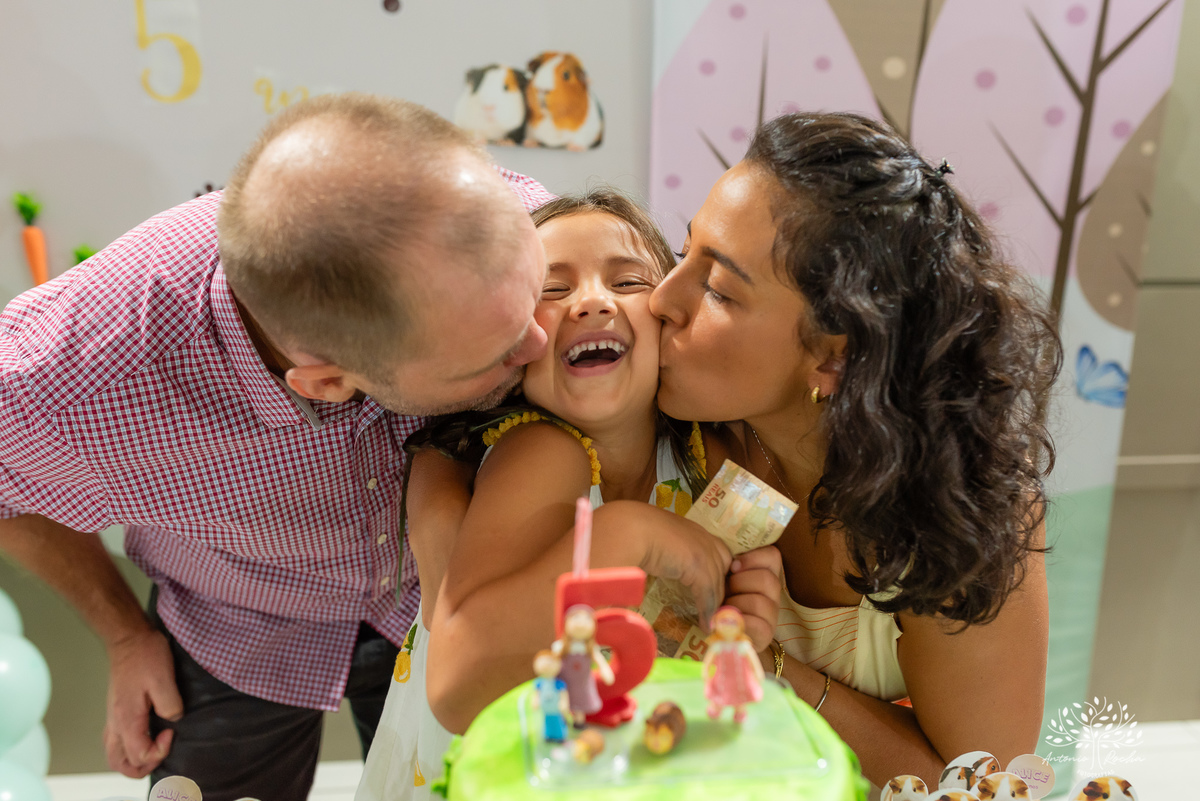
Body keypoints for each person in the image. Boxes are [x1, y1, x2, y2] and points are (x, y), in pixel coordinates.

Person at [0, 93, 553, 800]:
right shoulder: (76, 380)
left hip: (447, 587)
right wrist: (122, 632)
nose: (540, 344)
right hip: (238, 619)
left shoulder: (518, 220)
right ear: (328, 380)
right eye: (496, 356)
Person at [648, 111, 1060, 787]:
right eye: (680, 251)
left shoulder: (961, 515)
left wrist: (770, 671)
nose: (663, 299)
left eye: (718, 289)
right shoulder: (667, 425)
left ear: (835, 357)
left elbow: (973, 784)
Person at [355, 189, 771, 800]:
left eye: (628, 281)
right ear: (513, 343)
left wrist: (738, 627)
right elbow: (459, 689)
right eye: (552, 291)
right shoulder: (544, 452)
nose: (592, 301)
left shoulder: (697, 460)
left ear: (669, 320)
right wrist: (627, 534)